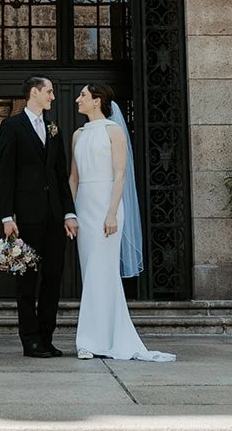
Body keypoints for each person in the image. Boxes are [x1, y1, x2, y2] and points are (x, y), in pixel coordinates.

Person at [71, 83, 175, 363]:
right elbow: (73, 178)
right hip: (84, 206)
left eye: (83, 95)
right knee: (90, 272)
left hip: (108, 205)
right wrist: (71, 213)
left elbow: (120, 175)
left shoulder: (113, 131)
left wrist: (112, 212)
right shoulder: (77, 135)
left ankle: (88, 340)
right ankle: (100, 336)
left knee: (100, 270)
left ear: (97, 100)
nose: (77, 99)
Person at [0, 75, 77, 357]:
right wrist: (7, 216)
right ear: (34, 92)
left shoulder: (54, 128)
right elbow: (5, 175)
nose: (53, 97)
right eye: (49, 92)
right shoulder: (11, 126)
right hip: (26, 218)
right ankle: (30, 340)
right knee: (27, 280)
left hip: (55, 217)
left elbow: (60, 173)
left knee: (53, 278)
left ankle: (46, 337)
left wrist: (69, 212)